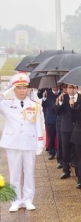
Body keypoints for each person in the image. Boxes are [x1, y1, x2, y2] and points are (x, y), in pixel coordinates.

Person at [0, 73, 44, 212]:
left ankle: (28, 199)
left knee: (29, 172)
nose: (21, 91)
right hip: (13, 143)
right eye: (18, 88)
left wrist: (40, 143)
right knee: (14, 173)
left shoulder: (34, 106)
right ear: (14, 89)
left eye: (24, 88)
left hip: (29, 143)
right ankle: (16, 201)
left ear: (28, 89)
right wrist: (6, 91)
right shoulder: (6, 104)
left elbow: (38, 125)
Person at [55, 84, 81, 179]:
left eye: (74, 87)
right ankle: (66, 170)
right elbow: (57, 111)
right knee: (65, 150)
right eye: (70, 88)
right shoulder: (63, 98)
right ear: (67, 89)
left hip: (77, 129)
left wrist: (73, 105)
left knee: (77, 151)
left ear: (77, 88)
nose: (72, 90)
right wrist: (60, 103)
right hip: (65, 128)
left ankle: (79, 171)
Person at [40, 87, 61, 160]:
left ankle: (60, 154)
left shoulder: (62, 93)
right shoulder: (47, 93)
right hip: (50, 118)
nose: (55, 87)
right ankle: (51, 152)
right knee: (51, 137)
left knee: (60, 138)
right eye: (53, 86)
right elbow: (44, 105)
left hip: (60, 119)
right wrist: (44, 98)